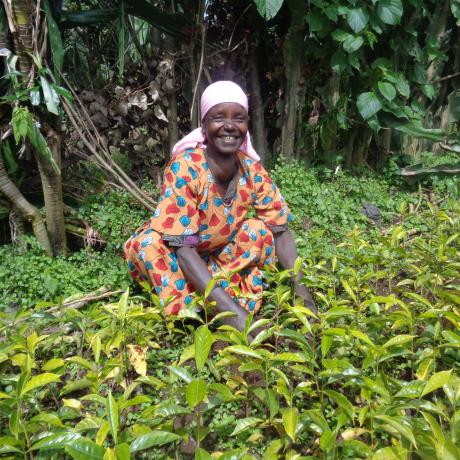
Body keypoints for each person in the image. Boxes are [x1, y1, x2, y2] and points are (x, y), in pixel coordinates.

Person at [124, 81, 316, 331]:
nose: (229, 126)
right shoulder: (186, 168)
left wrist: (305, 298)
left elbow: (279, 229)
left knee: (259, 231)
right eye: (218, 117)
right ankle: (195, 315)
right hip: (178, 258)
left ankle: (219, 302)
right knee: (148, 244)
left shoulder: (252, 170)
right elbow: (183, 250)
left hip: (217, 258)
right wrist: (237, 320)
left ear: (246, 126)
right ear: (204, 125)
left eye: (239, 118)